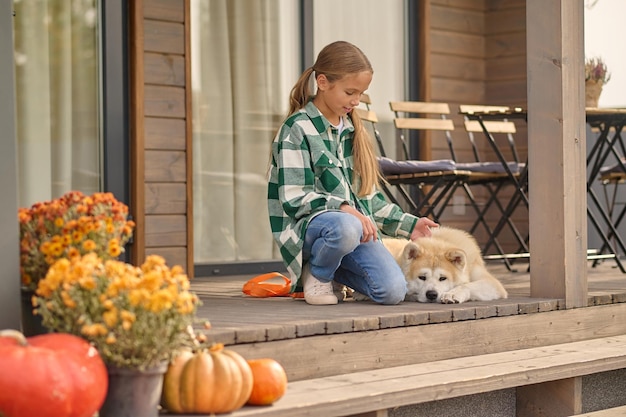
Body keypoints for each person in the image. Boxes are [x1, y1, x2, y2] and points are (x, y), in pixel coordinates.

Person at [267, 40, 438, 305]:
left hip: (349, 233)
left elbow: (368, 199)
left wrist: (409, 224)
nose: (356, 101)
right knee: (346, 224)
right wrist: (344, 208)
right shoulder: (297, 128)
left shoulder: (352, 132)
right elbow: (293, 197)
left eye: (360, 93)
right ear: (322, 82)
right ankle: (318, 273)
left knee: (393, 291)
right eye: (350, 92)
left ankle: (335, 273)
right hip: (311, 231)